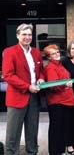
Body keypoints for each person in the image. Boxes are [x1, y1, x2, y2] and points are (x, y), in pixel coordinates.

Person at [2, 23, 45, 155]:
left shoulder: (36, 53)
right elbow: (8, 75)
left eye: (29, 34)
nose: (27, 37)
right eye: (24, 34)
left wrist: (41, 78)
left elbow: (41, 71)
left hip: (34, 97)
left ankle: (32, 152)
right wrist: (27, 86)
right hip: (17, 96)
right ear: (17, 36)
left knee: (32, 130)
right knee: (13, 132)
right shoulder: (10, 52)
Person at [43, 44, 74, 155]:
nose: (57, 54)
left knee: (63, 128)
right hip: (57, 102)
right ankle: (54, 152)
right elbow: (53, 85)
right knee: (56, 128)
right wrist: (64, 85)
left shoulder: (60, 65)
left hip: (66, 101)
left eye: (57, 52)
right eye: (53, 53)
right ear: (49, 57)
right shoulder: (51, 67)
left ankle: (60, 150)